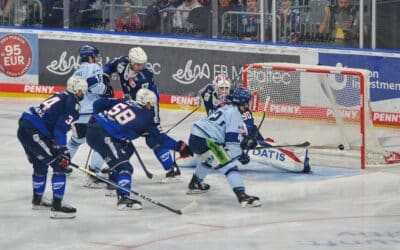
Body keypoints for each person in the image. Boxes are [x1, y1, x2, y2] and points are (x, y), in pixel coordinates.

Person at [86, 89, 193, 210]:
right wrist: (180, 147)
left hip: (94, 126)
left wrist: (101, 120)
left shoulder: (127, 101)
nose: (152, 106)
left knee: (128, 148)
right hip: (103, 135)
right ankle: (123, 198)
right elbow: (161, 139)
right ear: (147, 103)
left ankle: (114, 181)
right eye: (151, 104)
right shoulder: (147, 117)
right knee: (126, 168)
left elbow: (98, 104)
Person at [103, 47, 181, 182]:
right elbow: (109, 67)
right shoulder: (122, 63)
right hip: (130, 104)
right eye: (138, 64)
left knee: (152, 138)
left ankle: (171, 169)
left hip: (146, 105)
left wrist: (154, 122)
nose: (140, 67)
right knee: (118, 136)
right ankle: (116, 165)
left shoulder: (144, 77)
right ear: (131, 62)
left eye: (142, 64)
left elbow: (145, 101)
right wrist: (105, 78)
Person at [17, 76, 88, 218]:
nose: (83, 94)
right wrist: (63, 149)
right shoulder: (73, 104)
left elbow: (51, 121)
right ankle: (58, 206)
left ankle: (37, 200)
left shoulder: (61, 95)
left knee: (41, 163)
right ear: (76, 90)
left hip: (25, 127)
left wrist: (55, 144)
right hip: (34, 132)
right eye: (82, 92)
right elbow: (60, 129)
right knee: (60, 164)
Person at [187, 87, 261, 207]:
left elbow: (225, 136)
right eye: (247, 102)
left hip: (195, 136)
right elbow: (231, 142)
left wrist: (242, 142)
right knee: (229, 166)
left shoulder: (226, 107)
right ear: (243, 102)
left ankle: (195, 183)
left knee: (209, 159)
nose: (248, 105)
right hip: (207, 139)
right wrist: (241, 156)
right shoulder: (235, 113)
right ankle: (242, 197)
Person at [66, 45, 114, 188]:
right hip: (90, 113)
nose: (98, 59)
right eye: (96, 56)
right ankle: (93, 173)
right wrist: (107, 90)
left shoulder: (77, 71)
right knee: (100, 142)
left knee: (76, 140)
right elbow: (95, 87)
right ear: (90, 57)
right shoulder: (93, 68)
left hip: (78, 113)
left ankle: (62, 165)